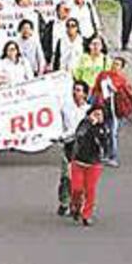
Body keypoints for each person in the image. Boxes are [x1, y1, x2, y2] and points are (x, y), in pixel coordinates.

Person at [69, 105, 111, 226]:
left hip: (94, 163)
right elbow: (79, 135)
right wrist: (89, 124)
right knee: (77, 189)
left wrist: (99, 132)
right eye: (95, 114)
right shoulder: (84, 124)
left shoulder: (104, 129)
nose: (97, 117)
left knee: (90, 189)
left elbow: (105, 144)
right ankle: (76, 206)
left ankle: (87, 214)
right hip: (79, 161)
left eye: (100, 115)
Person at [92, 56, 132, 167]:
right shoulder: (103, 75)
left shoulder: (122, 80)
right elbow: (96, 88)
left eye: (117, 64)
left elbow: (127, 95)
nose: (114, 66)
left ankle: (113, 157)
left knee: (112, 133)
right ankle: (104, 153)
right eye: (113, 63)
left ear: (121, 68)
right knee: (103, 131)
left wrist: (115, 90)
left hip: (115, 111)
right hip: (103, 108)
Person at [57, 81, 90, 217]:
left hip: (83, 147)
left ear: (85, 94)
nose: (75, 93)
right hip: (68, 145)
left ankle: (78, 204)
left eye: (78, 90)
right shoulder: (65, 108)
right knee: (66, 177)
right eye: (74, 90)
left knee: (81, 179)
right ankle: (64, 202)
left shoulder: (89, 110)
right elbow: (60, 125)